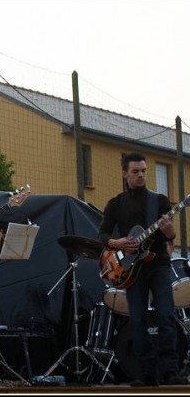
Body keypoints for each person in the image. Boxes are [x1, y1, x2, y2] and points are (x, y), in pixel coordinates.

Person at [97, 152, 186, 386]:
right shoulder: (116, 204)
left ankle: (170, 371)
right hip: (130, 269)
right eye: (135, 171)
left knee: (166, 315)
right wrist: (117, 243)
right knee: (137, 320)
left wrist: (169, 232)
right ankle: (146, 373)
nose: (141, 175)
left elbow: (170, 236)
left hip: (158, 265)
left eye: (144, 171)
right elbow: (103, 234)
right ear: (125, 173)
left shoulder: (160, 201)